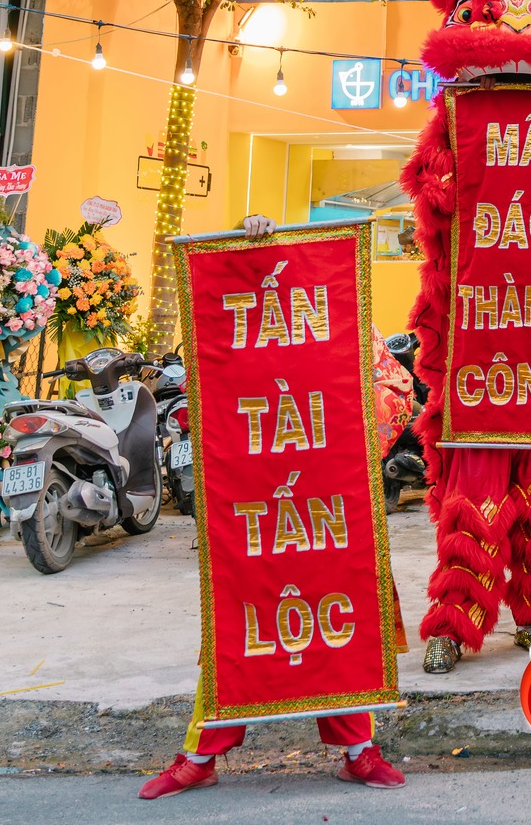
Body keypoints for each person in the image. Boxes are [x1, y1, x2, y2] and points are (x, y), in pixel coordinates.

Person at [139, 214, 407, 800]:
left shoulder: (355, 328)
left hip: (333, 513)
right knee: (239, 628)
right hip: (260, 517)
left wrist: (356, 442)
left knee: (343, 630)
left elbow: (396, 394)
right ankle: (199, 755)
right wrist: (244, 235)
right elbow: (216, 389)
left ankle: (359, 751)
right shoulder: (245, 326)